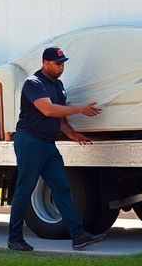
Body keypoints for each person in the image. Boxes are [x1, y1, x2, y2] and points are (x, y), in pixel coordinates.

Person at [7, 47, 107, 252]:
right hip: (30, 142)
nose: (62, 67)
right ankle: (14, 239)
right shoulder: (33, 83)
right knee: (25, 189)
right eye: (57, 63)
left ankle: (78, 236)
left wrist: (71, 133)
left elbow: (60, 119)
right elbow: (48, 109)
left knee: (62, 188)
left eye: (63, 63)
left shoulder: (58, 85)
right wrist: (80, 108)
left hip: (48, 144)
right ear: (45, 63)